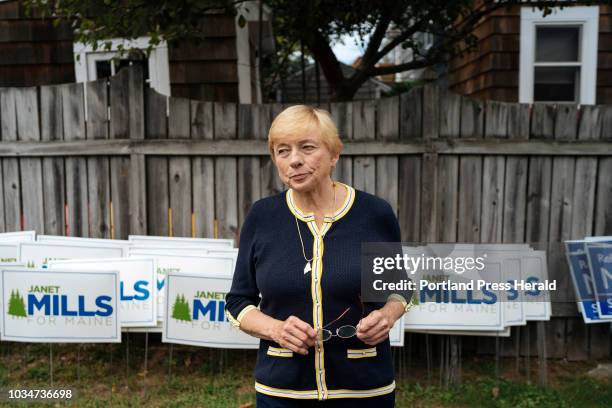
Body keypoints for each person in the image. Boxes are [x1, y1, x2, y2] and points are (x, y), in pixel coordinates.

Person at [225, 105, 412, 407]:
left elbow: (399, 288)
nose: (294, 160)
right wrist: (276, 329)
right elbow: (237, 302)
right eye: (282, 151)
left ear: (334, 154)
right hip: (282, 393)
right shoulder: (262, 217)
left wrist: (387, 315)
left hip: (364, 391)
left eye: (307, 148)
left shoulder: (374, 213)